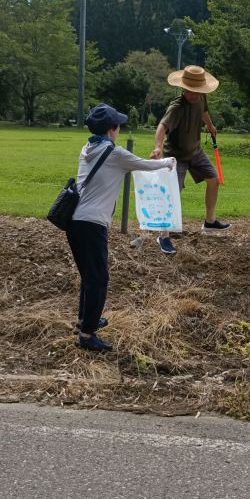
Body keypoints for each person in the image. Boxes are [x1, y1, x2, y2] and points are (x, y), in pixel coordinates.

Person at [68, 103, 175, 352]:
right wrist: (169, 161)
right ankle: (86, 335)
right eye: (117, 126)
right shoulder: (114, 154)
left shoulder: (88, 148)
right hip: (92, 224)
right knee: (99, 279)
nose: (118, 129)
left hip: (76, 222)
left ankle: (86, 320)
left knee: (89, 276)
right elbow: (146, 164)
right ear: (111, 130)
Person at [150, 65, 230, 254]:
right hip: (175, 155)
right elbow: (162, 127)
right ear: (184, 88)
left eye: (197, 91)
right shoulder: (176, 107)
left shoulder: (201, 98)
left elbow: (203, 112)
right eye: (190, 91)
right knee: (172, 193)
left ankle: (210, 222)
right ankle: (163, 236)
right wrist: (158, 147)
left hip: (195, 151)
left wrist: (210, 126)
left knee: (214, 180)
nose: (193, 95)